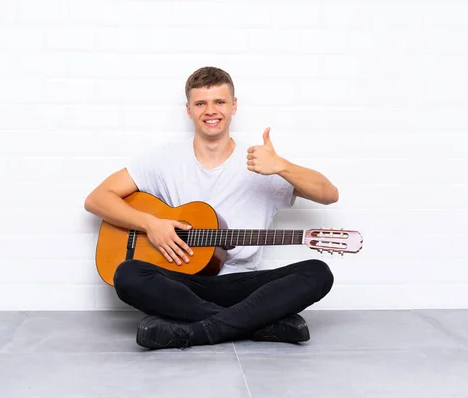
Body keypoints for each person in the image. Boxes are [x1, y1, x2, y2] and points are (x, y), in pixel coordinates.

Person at [84, 66, 339, 350]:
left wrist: (283, 166)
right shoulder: (163, 159)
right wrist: (149, 224)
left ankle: (195, 330)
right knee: (127, 275)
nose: (211, 110)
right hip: (184, 284)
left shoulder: (260, 162)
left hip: (245, 286)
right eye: (201, 103)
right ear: (189, 110)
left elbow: (329, 194)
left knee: (317, 272)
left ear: (233, 106)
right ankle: (257, 324)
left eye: (219, 101)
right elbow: (97, 198)